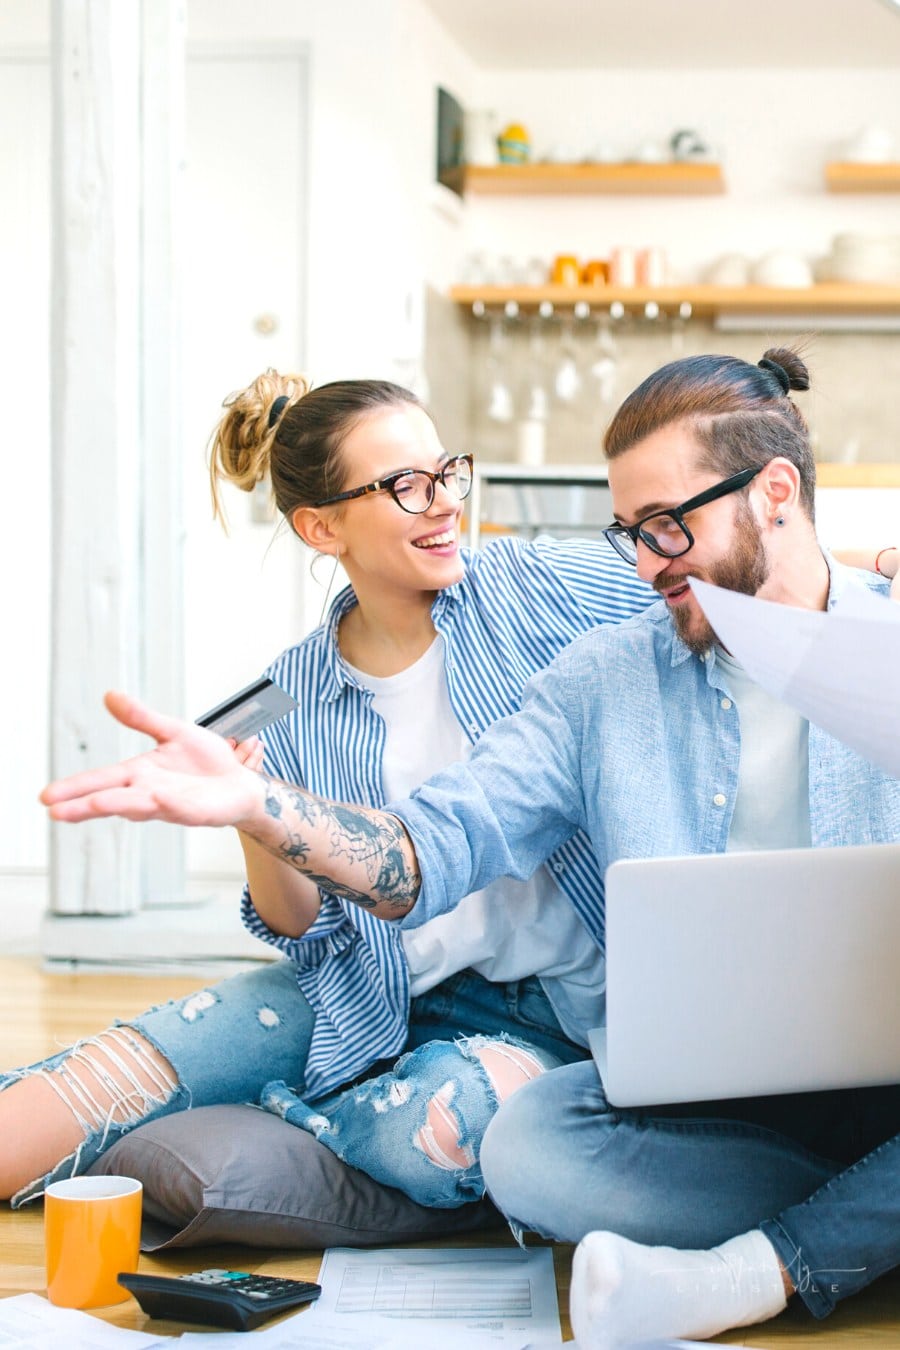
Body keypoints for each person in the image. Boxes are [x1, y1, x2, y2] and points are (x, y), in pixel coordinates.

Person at [38, 346, 900, 1333]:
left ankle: (763, 1269)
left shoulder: (888, 650)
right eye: (631, 534)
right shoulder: (600, 679)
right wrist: (257, 808)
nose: (648, 563)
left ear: (776, 490)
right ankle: (866, 1219)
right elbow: (425, 851)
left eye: (669, 526)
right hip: (713, 1115)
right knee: (533, 1149)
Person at [1, 370, 656, 1210]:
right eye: (406, 486)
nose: (445, 502)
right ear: (322, 526)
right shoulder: (289, 693)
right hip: (368, 990)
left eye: (446, 472)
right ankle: (271, 1104)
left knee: (425, 1138)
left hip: (554, 1005)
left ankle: (289, 1112)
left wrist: (874, 569)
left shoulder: (535, 585)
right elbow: (299, 926)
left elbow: (715, 566)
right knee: (37, 1124)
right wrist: (253, 808)